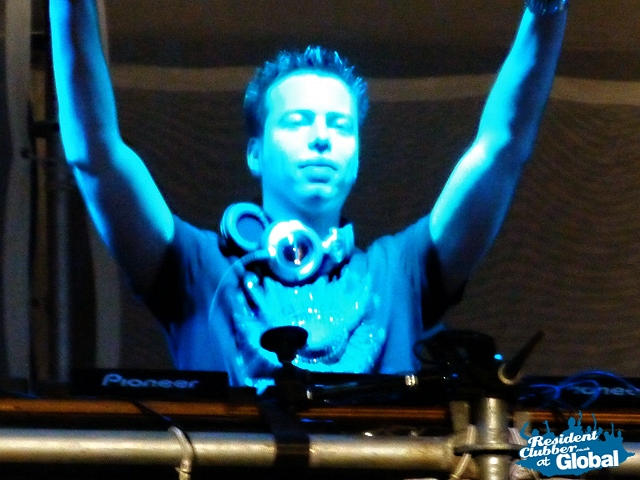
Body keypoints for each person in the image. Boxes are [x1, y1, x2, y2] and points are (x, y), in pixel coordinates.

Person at [49, 0, 568, 389]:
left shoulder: (400, 272)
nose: (321, 137)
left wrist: (546, 10)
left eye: (340, 125)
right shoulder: (199, 268)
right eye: (298, 121)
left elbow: (500, 151)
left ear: (357, 154)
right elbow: (95, 154)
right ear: (255, 153)